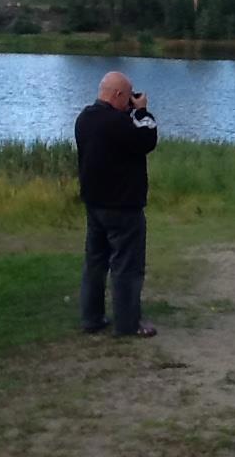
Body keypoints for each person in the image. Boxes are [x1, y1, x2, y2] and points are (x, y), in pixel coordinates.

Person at [75, 71, 159, 337]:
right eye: (128, 95)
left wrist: (129, 113)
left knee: (95, 263)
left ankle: (92, 318)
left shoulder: (85, 118)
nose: (131, 100)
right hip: (123, 206)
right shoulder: (117, 123)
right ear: (118, 94)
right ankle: (128, 324)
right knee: (127, 267)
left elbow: (120, 140)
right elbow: (147, 139)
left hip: (95, 204)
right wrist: (142, 111)